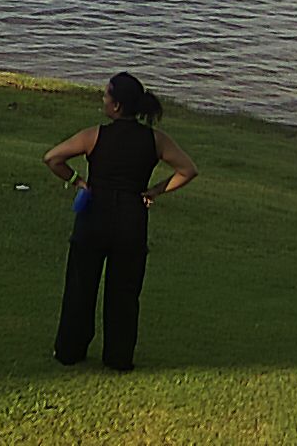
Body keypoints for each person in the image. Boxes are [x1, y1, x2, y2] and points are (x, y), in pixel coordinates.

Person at [43, 72, 198, 371]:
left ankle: (69, 351)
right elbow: (187, 170)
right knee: (124, 293)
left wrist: (78, 181)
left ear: (116, 105)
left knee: (80, 287)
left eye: (106, 95)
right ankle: (118, 357)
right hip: (131, 220)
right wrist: (155, 190)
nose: (103, 100)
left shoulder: (94, 136)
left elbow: (53, 158)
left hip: (93, 217)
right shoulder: (155, 139)